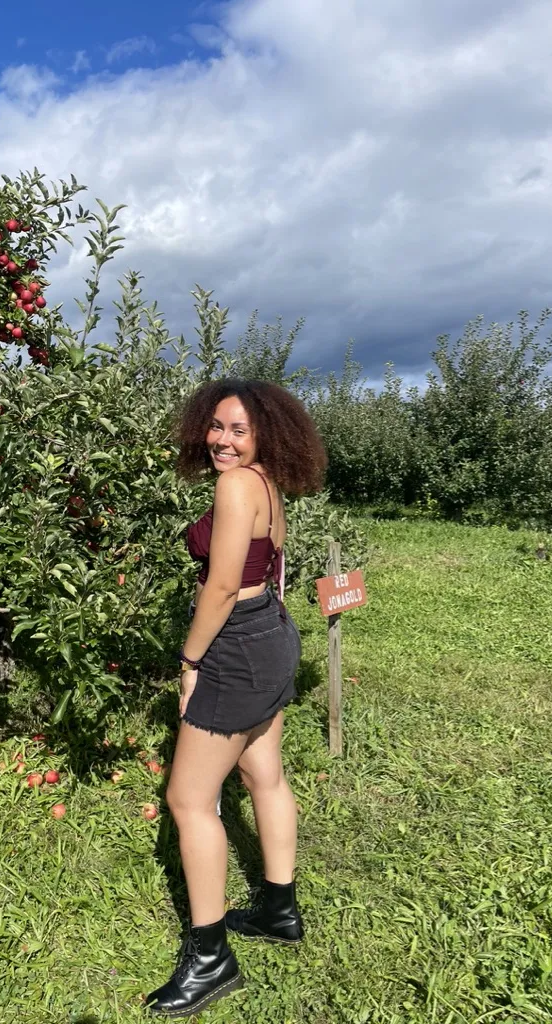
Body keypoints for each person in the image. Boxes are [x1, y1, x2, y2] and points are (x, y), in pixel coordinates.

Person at [145, 378, 328, 1017]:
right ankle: (279, 911)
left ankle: (210, 958)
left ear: (263, 436)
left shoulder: (234, 486)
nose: (221, 439)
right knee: (264, 774)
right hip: (274, 633)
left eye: (238, 430)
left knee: (188, 799)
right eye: (216, 426)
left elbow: (221, 587)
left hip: (237, 641)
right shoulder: (269, 484)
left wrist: (191, 660)